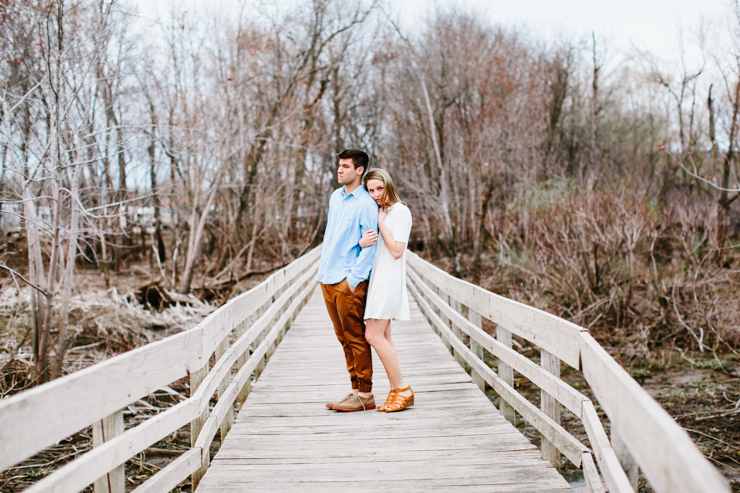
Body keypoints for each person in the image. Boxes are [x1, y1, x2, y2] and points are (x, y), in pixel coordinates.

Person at [317, 148, 379, 412]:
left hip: (347, 281)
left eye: (345, 166)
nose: (340, 170)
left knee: (356, 338)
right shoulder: (336, 197)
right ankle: (354, 390)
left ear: (359, 170)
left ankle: (365, 395)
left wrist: (353, 280)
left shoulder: (366, 203)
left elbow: (371, 246)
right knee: (343, 338)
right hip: (327, 277)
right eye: (339, 165)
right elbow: (335, 235)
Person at [358, 168, 414, 413]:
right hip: (377, 278)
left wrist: (381, 224)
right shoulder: (380, 210)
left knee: (372, 335)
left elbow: (397, 250)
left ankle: (403, 388)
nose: (375, 194)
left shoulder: (400, 211)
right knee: (385, 337)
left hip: (388, 280)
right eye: (370, 190)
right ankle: (395, 391)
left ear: (388, 185)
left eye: (379, 188)